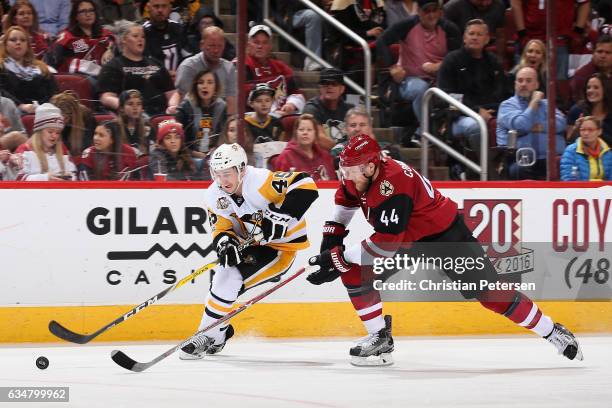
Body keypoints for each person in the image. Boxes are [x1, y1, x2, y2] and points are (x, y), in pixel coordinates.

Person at [306, 133, 583, 366]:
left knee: (489, 293)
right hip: (407, 239)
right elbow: (342, 211)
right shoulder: (356, 175)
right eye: (343, 170)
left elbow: (387, 243)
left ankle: (551, 331)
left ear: (370, 167)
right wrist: (330, 248)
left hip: (445, 235)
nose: (345, 176)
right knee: (353, 269)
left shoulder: (393, 184)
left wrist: (339, 257)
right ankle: (380, 338)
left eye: (351, 170)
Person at [179, 143, 319, 359]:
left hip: (281, 249)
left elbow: (306, 183)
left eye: (227, 173)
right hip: (254, 245)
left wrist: (279, 216)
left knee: (228, 278)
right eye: (217, 174)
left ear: (242, 169)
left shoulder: (260, 181)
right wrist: (225, 243)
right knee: (222, 279)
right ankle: (217, 335)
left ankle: (206, 334)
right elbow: (221, 228)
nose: (222, 180)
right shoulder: (213, 195)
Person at [377, 0, 461, 137]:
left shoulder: (449, 29)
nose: (431, 15)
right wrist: (392, 67)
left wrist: (440, 66)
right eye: (427, 11)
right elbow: (382, 41)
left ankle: (421, 132)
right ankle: (429, 133)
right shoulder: (407, 25)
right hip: (410, 79)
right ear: (419, 12)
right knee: (421, 88)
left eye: (434, 11)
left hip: (440, 79)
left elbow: (458, 57)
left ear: (440, 12)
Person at [437, 18, 507, 151]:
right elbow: (447, 96)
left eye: (479, 34)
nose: (474, 37)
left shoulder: (493, 62)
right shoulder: (452, 60)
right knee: (476, 126)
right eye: (471, 34)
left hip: (491, 112)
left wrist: (493, 110)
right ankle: (482, 167)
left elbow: (501, 91)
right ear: (464, 37)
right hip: (458, 116)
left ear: (487, 39)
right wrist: (476, 111)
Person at [496, 66, 566, 180]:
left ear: (536, 85)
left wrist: (541, 126)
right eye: (520, 80)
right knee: (519, 170)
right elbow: (521, 125)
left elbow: (561, 123)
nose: (523, 84)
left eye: (528, 81)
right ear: (515, 84)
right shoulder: (507, 106)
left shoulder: (547, 104)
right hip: (521, 161)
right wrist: (534, 102)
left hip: (552, 159)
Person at [98, 20, 177, 116]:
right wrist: (128, 107)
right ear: (123, 39)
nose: (141, 40)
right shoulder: (113, 66)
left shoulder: (156, 64)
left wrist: (172, 106)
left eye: (143, 37)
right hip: (133, 116)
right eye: (135, 36)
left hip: (162, 114)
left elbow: (172, 93)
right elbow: (106, 98)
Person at [173, 26, 237, 114]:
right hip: (193, 116)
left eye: (220, 46)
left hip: (220, 118)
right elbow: (182, 98)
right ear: (201, 45)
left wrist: (228, 123)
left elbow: (231, 100)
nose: (216, 50)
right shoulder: (188, 67)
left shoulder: (229, 68)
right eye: (211, 45)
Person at [246, 24, 305, 117]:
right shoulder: (242, 65)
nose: (260, 46)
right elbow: (245, 96)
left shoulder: (281, 67)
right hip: (253, 117)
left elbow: (296, 91)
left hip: (280, 114)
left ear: (270, 46)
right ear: (248, 44)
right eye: (256, 42)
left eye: (264, 42)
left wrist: (291, 105)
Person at [45, 0, 115, 78]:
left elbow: (117, 55)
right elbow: (54, 62)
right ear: (75, 16)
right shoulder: (67, 37)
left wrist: (110, 49)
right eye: (83, 11)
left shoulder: (107, 35)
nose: (88, 14)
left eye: (91, 10)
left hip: (106, 76)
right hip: (78, 78)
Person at [0, 26, 58, 114]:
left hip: (46, 111)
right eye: (13, 40)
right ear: (5, 44)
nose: (18, 42)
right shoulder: (2, 67)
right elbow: (2, 93)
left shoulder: (41, 67)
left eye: (23, 40)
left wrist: (48, 106)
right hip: (14, 112)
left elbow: (54, 91)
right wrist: (21, 106)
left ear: (27, 45)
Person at [15, 103, 76, 181]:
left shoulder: (62, 150)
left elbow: (74, 175)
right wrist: (45, 178)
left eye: (57, 133)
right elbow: (19, 179)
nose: (54, 136)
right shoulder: (25, 150)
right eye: (50, 132)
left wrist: (70, 178)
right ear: (39, 131)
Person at [176, 69, 227, 159]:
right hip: (188, 157)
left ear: (216, 87)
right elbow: (176, 139)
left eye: (210, 82)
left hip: (214, 156)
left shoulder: (221, 107)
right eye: (201, 82)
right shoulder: (186, 106)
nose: (205, 86)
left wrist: (216, 150)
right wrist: (192, 153)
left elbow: (224, 135)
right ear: (196, 86)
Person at [272, 114, 337, 181]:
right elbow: (278, 187)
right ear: (296, 133)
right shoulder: (285, 157)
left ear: (315, 133)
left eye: (309, 130)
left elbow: (334, 184)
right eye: (301, 130)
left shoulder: (325, 157)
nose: (305, 133)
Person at [303, 67, 355, 150]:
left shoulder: (349, 109)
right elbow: (319, 138)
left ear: (342, 89)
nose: (329, 86)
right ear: (320, 87)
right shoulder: (311, 108)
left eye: (334, 84)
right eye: (325, 83)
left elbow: (365, 133)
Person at [443, 0, 507, 65]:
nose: (485, 4)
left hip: (480, 56)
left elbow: (500, 36)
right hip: (453, 55)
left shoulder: (498, 6)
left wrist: (500, 60)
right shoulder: (453, 7)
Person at [50, 91, 96, 166]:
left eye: (65, 118)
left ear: (73, 115)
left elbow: (87, 149)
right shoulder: (49, 120)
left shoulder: (87, 117)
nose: (61, 122)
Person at [142, 0, 187, 76]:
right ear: (148, 8)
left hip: (178, 81)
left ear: (170, 8)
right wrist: (165, 74)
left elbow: (188, 58)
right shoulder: (142, 33)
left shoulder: (179, 29)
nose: (160, 10)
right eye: (156, 6)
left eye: (164, 6)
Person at [560, 116, 612, 180]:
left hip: (605, 189)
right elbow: (568, 179)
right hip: (580, 189)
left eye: (590, 130)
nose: (586, 133)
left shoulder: (607, 152)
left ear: (599, 131)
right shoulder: (571, 151)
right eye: (583, 130)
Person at [567, 73, 612, 146]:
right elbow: (569, 142)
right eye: (588, 87)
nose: (591, 91)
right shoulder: (577, 110)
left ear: (605, 90)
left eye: (596, 87)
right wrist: (576, 129)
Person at [570, 35, 612, 103]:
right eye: (599, 52)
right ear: (593, 53)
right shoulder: (581, 76)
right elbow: (581, 104)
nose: (603, 56)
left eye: (608, 53)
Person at [116, 89, 154, 157]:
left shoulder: (147, 127)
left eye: (139, 104)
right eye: (130, 104)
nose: (135, 107)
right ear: (121, 108)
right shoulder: (114, 127)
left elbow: (153, 152)